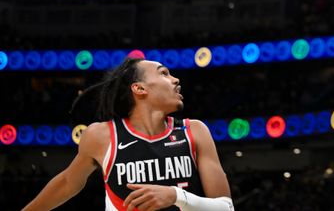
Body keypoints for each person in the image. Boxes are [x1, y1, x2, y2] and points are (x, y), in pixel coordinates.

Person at [22, 57, 234, 211]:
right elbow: (68, 183)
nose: (176, 79)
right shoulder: (102, 136)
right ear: (139, 88)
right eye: (163, 73)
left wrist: (177, 196)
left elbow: (226, 207)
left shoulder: (194, 131)